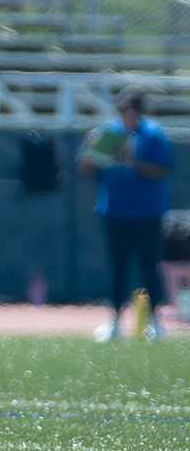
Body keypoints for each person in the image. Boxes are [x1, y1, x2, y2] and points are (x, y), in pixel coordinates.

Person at [81, 86, 173, 342]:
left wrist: (131, 158)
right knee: (118, 267)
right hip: (115, 210)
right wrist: (94, 147)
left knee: (148, 265)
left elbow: (161, 170)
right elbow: (86, 166)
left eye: (130, 108)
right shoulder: (109, 132)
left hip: (147, 212)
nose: (124, 112)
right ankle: (114, 322)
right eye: (121, 107)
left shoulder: (153, 134)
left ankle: (154, 322)